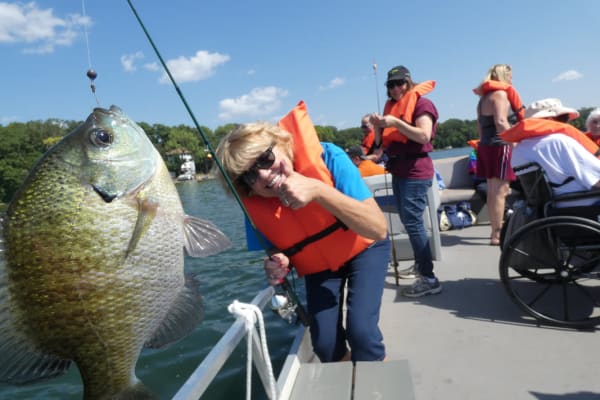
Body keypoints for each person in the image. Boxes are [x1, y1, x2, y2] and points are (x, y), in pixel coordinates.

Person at [214, 101, 391, 363]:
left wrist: (318, 191)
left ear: (281, 143)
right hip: (320, 266)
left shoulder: (329, 157)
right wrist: (278, 260)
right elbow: (274, 248)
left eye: (265, 158)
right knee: (325, 345)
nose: (264, 175)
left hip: (363, 247)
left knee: (362, 333)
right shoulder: (252, 205)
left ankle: (376, 383)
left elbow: (377, 229)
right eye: (249, 176)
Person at [369, 65, 442, 297]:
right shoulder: (392, 107)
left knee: (413, 222)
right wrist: (379, 128)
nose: (395, 88)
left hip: (416, 172)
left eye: (399, 83)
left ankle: (429, 278)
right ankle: (422, 267)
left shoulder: (422, 104)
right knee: (408, 220)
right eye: (390, 85)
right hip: (399, 171)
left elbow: (423, 135)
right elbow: (381, 147)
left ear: (408, 82)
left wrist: (396, 123)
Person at [502, 98, 600, 205]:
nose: (566, 123)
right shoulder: (559, 141)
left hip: (551, 209)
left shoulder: (518, 151)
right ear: (549, 119)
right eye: (563, 118)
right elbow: (596, 181)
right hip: (584, 204)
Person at [473, 64, 524, 246]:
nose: (511, 80)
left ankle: (494, 233)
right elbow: (501, 122)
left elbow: (480, 127)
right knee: (501, 192)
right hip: (500, 147)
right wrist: (516, 145)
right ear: (504, 76)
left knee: (492, 191)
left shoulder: (483, 99)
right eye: (510, 76)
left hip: (486, 147)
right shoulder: (500, 95)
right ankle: (499, 235)